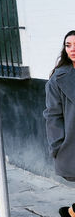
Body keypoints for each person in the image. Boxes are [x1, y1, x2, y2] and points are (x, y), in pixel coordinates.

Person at [44, 30, 75, 216]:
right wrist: (57, 145)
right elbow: (53, 115)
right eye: (68, 45)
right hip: (72, 141)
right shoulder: (58, 79)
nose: (72, 49)